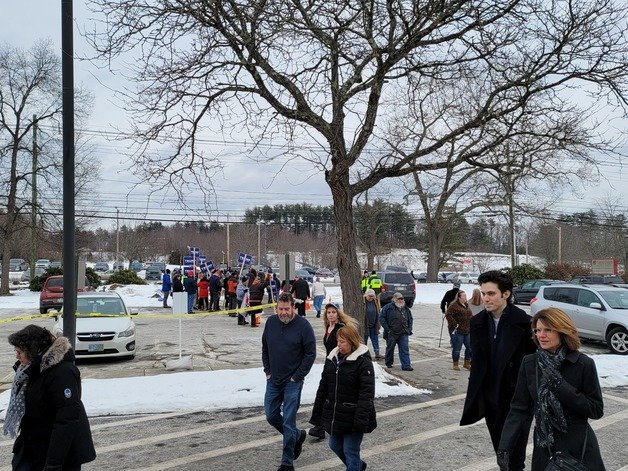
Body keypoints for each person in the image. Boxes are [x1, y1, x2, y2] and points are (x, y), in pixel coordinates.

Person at [497, 308, 605, 470]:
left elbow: (596, 410)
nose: (541, 335)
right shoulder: (530, 363)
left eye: (548, 330)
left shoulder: (583, 363)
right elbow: (519, 409)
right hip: (545, 446)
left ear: (562, 331)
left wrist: (560, 386)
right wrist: (505, 446)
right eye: (538, 330)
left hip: (578, 447)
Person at [460, 270, 536, 471]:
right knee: (501, 456)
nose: (486, 298)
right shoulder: (477, 322)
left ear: (506, 294)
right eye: (483, 293)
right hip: (490, 400)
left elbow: (534, 364)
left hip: (517, 403)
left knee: (515, 459)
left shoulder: (525, 323)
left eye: (491, 293)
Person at [4, 325, 96, 470]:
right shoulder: (30, 370)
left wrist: (54, 463)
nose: (17, 356)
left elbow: (66, 419)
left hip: (57, 453)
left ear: (32, 351)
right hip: (33, 445)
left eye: (19, 351)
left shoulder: (62, 373)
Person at [309, 325, 377, 471]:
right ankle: (358, 466)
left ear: (352, 342)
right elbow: (323, 388)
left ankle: (354, 466)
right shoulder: (332, 359)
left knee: (350, 452)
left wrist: (360, 422)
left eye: (342, 341)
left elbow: (367, 395)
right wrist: (317, 415)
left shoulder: (363, 362)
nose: (339, 344)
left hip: (354, 416)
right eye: (338, 341)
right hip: (336, 415)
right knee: (334, 445)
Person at [262, 292, 317, 471]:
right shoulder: (270, 323)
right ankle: (297, 435)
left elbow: (310, 354)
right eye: (281, 309)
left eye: (287, 309)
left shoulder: (303, 326)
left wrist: (298, 376)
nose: (284, 312)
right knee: (271, 415)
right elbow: (265, 347)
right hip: (274, 380)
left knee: (288, 421)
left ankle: (287, 462)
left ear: (293, 308)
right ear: (276, 308)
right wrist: (267, 371)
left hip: (293, 381)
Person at [379, 292, 414, 371]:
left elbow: (410, 319)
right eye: (399, 298)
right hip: (391, 333)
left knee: (404, 349)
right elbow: (382, 318)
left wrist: (409, 329)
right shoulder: (387, 307)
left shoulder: (406, 308)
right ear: (394, 299)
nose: (401, 300)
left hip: (404, 332)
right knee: (390, 349)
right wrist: (387, 329)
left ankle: (406, 365)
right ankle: (388, 362)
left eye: (402, 298)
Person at [445, 290, 472, 371]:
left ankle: (466, 363)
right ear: (459, 297)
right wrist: (454, 323)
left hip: (467, 330)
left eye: (465, 295)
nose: (465, 297)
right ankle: (455, 364)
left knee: (469, 347)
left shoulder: (466, 305)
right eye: (463, 296)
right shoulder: (454, 305)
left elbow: (469, 314)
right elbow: (448, 314)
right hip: (457, 330)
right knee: (457, 348)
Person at [363, 288, 382, 361]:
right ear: (366, 295)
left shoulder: (376, 302)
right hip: (366, 325)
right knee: (364, 340)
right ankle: (363, 354)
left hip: (374, 325)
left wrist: (378, 324)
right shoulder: (363, 302)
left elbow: (379, 312)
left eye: (372, 296)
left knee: (375, 339)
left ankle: (377, 354)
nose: (371, 298)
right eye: (369, 296)